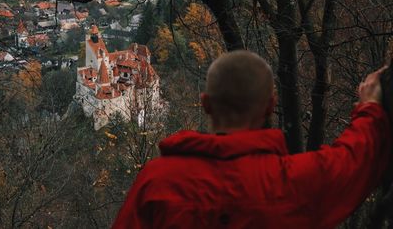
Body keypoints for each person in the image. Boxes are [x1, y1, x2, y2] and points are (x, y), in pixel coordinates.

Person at [112, 50, 391, 229]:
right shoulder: (293, 181)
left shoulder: (158, 182)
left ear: (206, 104)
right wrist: (370, 106)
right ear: (271, 105)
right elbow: (355, 159)